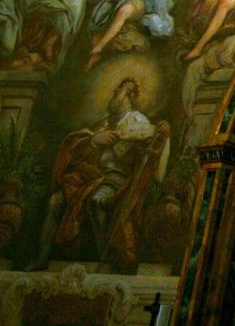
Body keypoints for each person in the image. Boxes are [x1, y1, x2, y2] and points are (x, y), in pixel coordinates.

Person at [27, 77, 170, 271]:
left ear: (129, 96)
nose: (114, 96)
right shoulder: (102, 123)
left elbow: (149, 148)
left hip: (116, 179)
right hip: (89, 177)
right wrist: (94, 140)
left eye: (118, 92)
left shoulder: (138, 121)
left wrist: (157, 136)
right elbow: (79, 149)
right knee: (55, 201)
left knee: (96, 201)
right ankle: (42, 257)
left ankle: (106, 256)